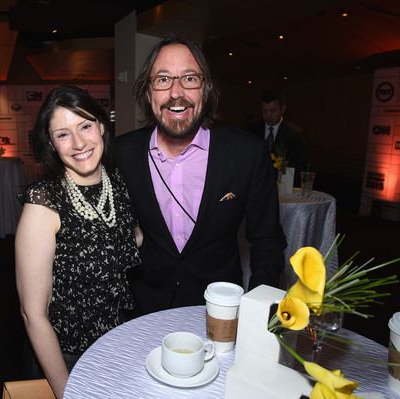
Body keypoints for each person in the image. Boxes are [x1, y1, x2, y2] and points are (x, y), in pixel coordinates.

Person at [115, 37, 286, 317]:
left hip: (219, 312)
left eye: (190, 78)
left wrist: (258, 314)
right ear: (148, 93)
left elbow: (267, 240)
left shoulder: (247, 153)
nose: (176, 92)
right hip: (142, 312)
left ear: (206, 90)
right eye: (162, 79)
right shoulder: (121, 154)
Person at [15, 85, 141, 398]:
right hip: (68, 359)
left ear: (101, 126)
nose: (78, 143)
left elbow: (128, 240)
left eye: (85, 126)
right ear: (51, 143)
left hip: (118, 349)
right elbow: (34, 314)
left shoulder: (120, 184)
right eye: (63, 134)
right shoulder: (43, 204)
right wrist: (66, 391)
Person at [247, 89, 309, 186]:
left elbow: (300, 167)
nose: (268, 115)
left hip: (283, 187)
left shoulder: (295, 135)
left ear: (283, 109)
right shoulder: (251, 130)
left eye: (273, 111)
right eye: (264, 111)